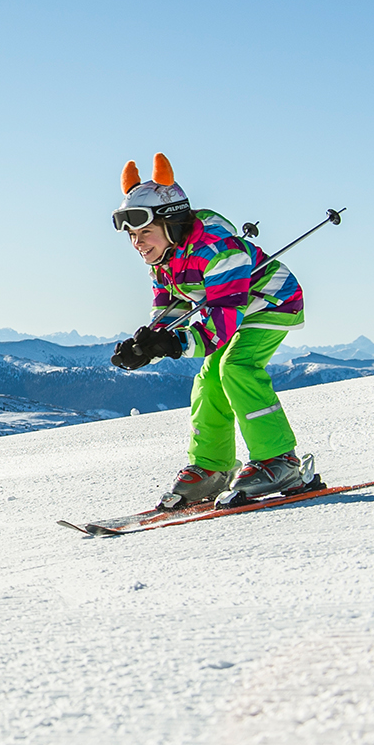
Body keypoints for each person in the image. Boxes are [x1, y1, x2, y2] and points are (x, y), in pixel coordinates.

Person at [108, 154, 311, 509]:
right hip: (233, 312)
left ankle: (281, 460)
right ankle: (213, 467)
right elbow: (170, 307)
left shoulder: (218, 252)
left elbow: (220, 322)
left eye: (144, 233)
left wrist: (174, 344)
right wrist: (149, 343)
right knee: (209, 380)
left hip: (271, 303)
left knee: (235, 367)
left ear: (171, 225)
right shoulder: (164, 260)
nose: (137, 243)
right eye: (132, 236)